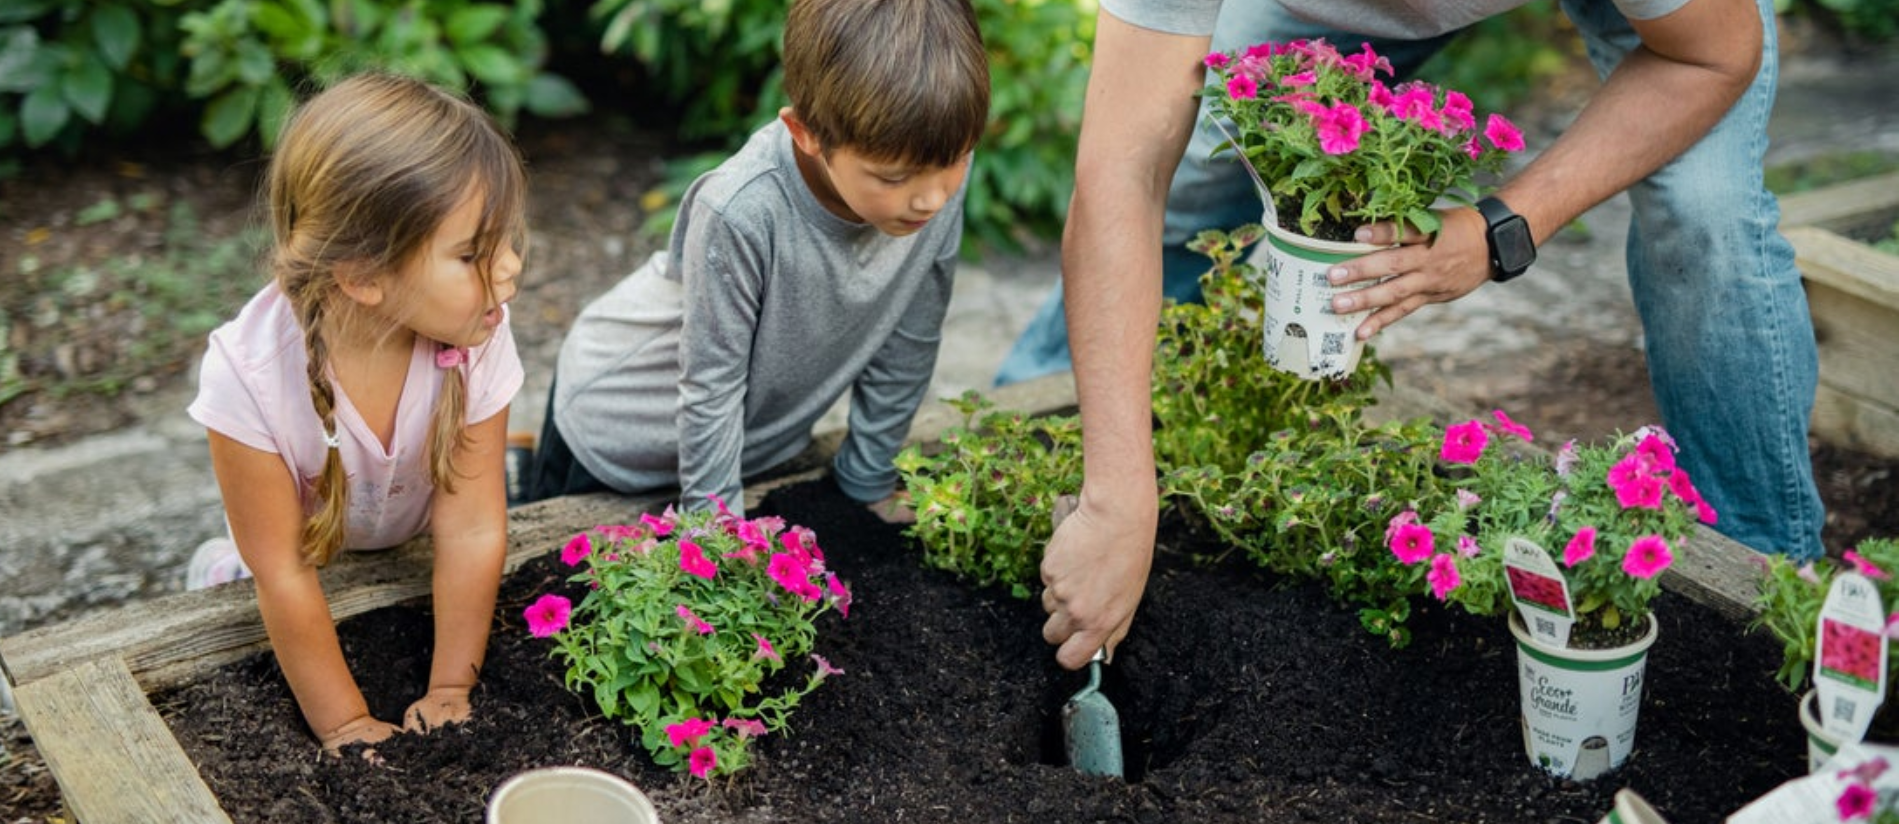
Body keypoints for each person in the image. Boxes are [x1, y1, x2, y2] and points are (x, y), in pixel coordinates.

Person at [1038, 0, 1825, 670]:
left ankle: (1764, 599)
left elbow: (1711, 58)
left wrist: (1502, 227)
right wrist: (1117, 499)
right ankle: (1046, 446)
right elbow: (1121, 172)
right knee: (1197, 165)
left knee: (1704, 215)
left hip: (1685, 33)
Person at [526, 0, 990, 520]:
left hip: (747, 447)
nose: (932, 198)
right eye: (893, 177)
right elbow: (711, 386)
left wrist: (869, 475)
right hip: (619, 429)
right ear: (806, 133)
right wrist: (718, 534)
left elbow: (911, 337)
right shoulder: (741, 209)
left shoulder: (932, 171)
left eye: (955, 161)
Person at [185, 73, 527, 755]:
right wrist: (344, 725)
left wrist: (451, 690)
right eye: (470, 255)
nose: (510, 269)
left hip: (408, 539)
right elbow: (285, 571)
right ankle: (211, 570)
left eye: (507, 241)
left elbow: (471, 529)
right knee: (242, 598)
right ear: (363, 275)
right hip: (299, 556)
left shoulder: (476, 331)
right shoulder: (246, 375)